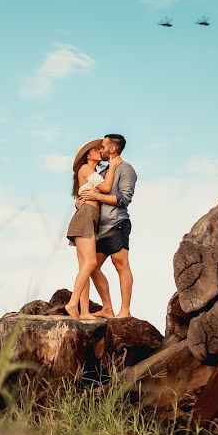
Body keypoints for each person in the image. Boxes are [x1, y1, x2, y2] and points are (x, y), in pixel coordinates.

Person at [79, 133, 137, 318]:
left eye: (103, 146)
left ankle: (125, 310)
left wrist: (97, 196)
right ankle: (107, 308)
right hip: (99, 228)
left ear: (112, 148)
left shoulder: (126, 170)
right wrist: (80, 202)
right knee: (93, 267)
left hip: (117, 223)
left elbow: (124, 198)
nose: (101, 149)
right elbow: (89, 192)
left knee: (121, 264)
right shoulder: (103, 172)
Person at [64, 139, 117, 320]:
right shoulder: (86, 168)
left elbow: (89, 194)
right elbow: (106, 188)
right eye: (96, 150)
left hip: (89, 216)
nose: (99, 151)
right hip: (86, 216)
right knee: (90, 263)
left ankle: (84, 311)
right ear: (88, 154)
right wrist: (113, 165)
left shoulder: (91, 171)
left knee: (84, 267)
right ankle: (72, 304)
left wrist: (79, 201)